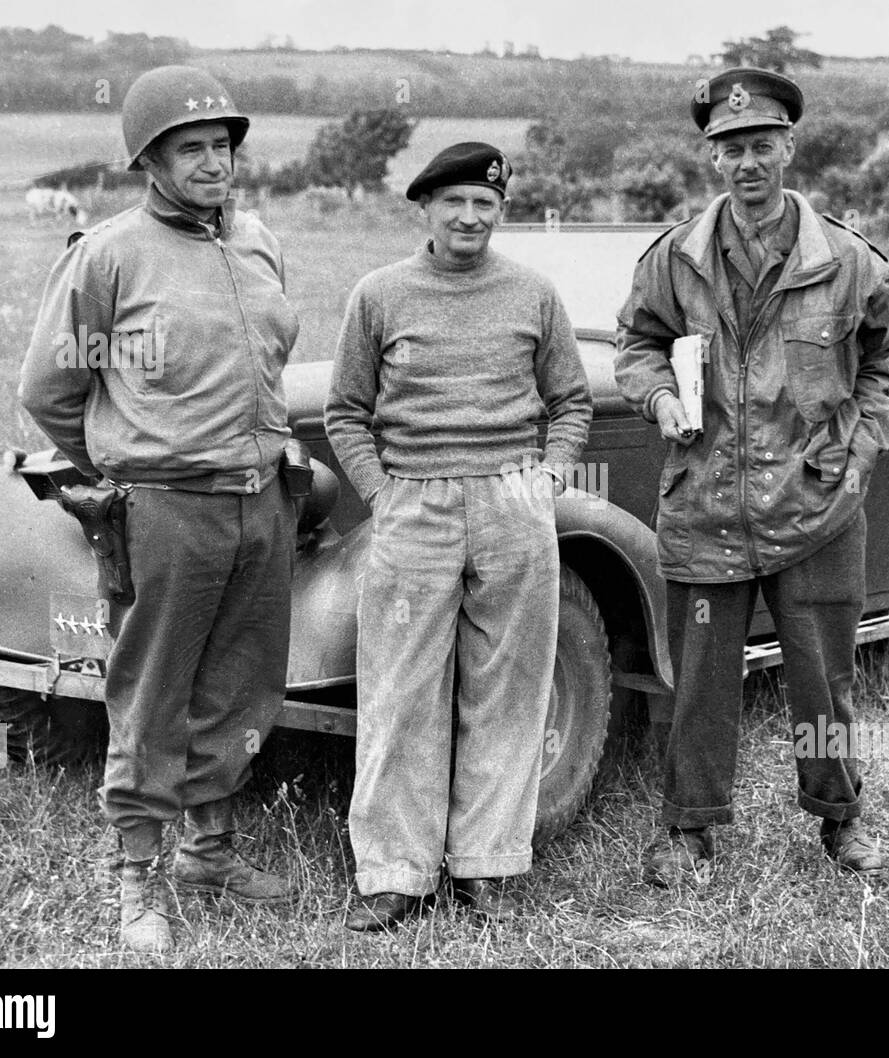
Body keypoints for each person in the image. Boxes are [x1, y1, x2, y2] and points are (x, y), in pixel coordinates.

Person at [19, 65, 300, 953]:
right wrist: (119, 464)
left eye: (222, 146)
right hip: (167, 510)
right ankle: (135, 875)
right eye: (192, 150)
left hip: (261, 500)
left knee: (242, 683)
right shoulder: (108, 255)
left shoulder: (255, 241)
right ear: (150, 161)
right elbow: (51, 389)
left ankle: (209, 853)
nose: (215, 163)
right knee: (151, 692)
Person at [614, 67, 889, 885]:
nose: (748, 163)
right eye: (731, 148)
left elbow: (879, 365)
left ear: (789, 149)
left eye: (762, 145)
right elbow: (636, 347)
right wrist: (661, 396)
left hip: (816, 504)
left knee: (825, 682)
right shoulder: (674, 260)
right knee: (701, 681)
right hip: (707, 500)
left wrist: (863, 448)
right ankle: (690, 829)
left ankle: (841, 820)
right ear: (712, 158)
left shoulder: (849, 261)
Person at [325, 142, 592, 931]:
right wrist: (382, 491)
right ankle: (396, 873)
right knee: (400, 689)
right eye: (456, 204)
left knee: (507, 690)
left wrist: (544, 482)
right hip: (414, 507)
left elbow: (571, 401)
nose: (471, 217)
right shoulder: (379, 295)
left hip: (514, 506)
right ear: (427, 210)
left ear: (499, 211)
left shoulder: (533, 293)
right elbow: (345, 410)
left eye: (486, 204)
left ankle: (486, 865)